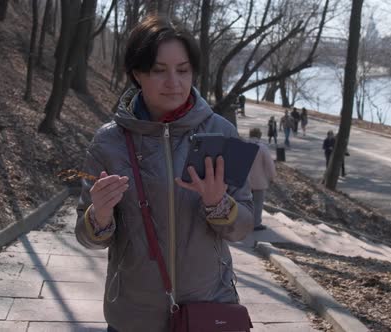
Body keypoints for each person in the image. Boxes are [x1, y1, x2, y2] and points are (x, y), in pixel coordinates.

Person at [74, 15, 254, 332]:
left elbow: (243, 228)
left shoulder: (221, 133)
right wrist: (99, 216)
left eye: (183, 70)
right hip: (133, 315)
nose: (174, 82)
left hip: (208, 307)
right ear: (136, 74)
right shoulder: (108, 142)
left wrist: (218, 204)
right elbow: (86, 236)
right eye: (159, 70)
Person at [247, 128, 277, 231]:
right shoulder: (262, 148)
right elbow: (269, 165)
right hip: (259, 181)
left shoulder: (244, 145)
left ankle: (244, 221)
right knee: (258, 203)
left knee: (245, 202)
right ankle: (255, 223)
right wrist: (272, 177)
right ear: (259, 135)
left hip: (244, 181)